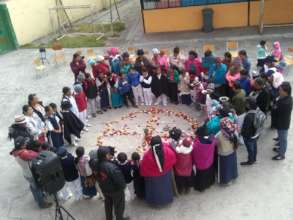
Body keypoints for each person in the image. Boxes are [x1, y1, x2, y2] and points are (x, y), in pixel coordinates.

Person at [10, 136, 51, 208]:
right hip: (30, 173)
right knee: (37, 188)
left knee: (33, 187)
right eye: (24, 143)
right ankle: (42, 204)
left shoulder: (16, 151)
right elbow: (37, 155)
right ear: (21, 145)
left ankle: (36, 199)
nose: (25, 144)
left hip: (25, 173)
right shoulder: (24, 153)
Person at [140, 136, 176, 206]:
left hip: (153, 178)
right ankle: (167, 199)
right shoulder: (167, 151)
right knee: (165, 188)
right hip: (165, 175)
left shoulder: (147, 155)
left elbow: (143, 167)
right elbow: (173, 159)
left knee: (155, 190)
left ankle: (154, 202)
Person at [96, 146, 129, 220]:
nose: (110, 155)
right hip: (115, 191)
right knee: (119, 206)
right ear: (106, 155)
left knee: (108, 205)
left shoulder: (96, 164)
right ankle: (119, 218)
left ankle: (109, 218)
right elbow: (120, 181)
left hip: (104, 189)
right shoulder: (112, 168)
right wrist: (123, 187)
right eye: (109, 154)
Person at [271, 82, 293, 160]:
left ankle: (281, 154)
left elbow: (275, 110)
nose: (279, 91)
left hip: (282, 124)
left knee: (283, 139)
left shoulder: (285, 103)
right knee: (281, 137)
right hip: (281, 122)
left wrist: (274, 106)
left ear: (285, 92)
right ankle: (280, 149)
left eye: (280, 90)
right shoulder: (287, 98)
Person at [192, 125, 216, 191]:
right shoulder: (212, 139)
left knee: (201, 176)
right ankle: (210, 183)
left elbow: (194, 153)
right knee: (209, 173)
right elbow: (213, 139)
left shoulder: (196, 144)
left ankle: (201, 187)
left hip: (201, 164)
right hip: (209, 161)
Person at [216, 117, 238, 185]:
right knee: (232, 165)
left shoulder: (219, 134)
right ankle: (234, 176)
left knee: (225, 168)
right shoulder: (234, 131)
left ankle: (227, 180)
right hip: (232, 151)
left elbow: (215, 143)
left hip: (223, 153)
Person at [241, 98, 259, 165]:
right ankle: (254, 159)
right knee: (254, 146)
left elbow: (246, 127)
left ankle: (250, 161)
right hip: (255, 133)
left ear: (248, 105)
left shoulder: (248, 115)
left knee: (250, 149)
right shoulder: (257, 111)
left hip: (249, 135)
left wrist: (242, 134)